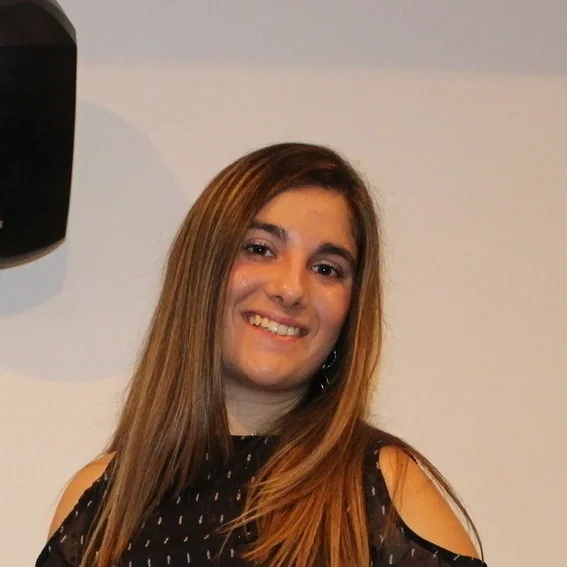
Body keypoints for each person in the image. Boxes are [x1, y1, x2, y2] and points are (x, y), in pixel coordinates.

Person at [36, 142, 487, 567]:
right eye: (260, 249)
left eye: (326, 268)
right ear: (201, 271)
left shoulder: (384, 489)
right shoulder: (98, 505)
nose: (291, 289)